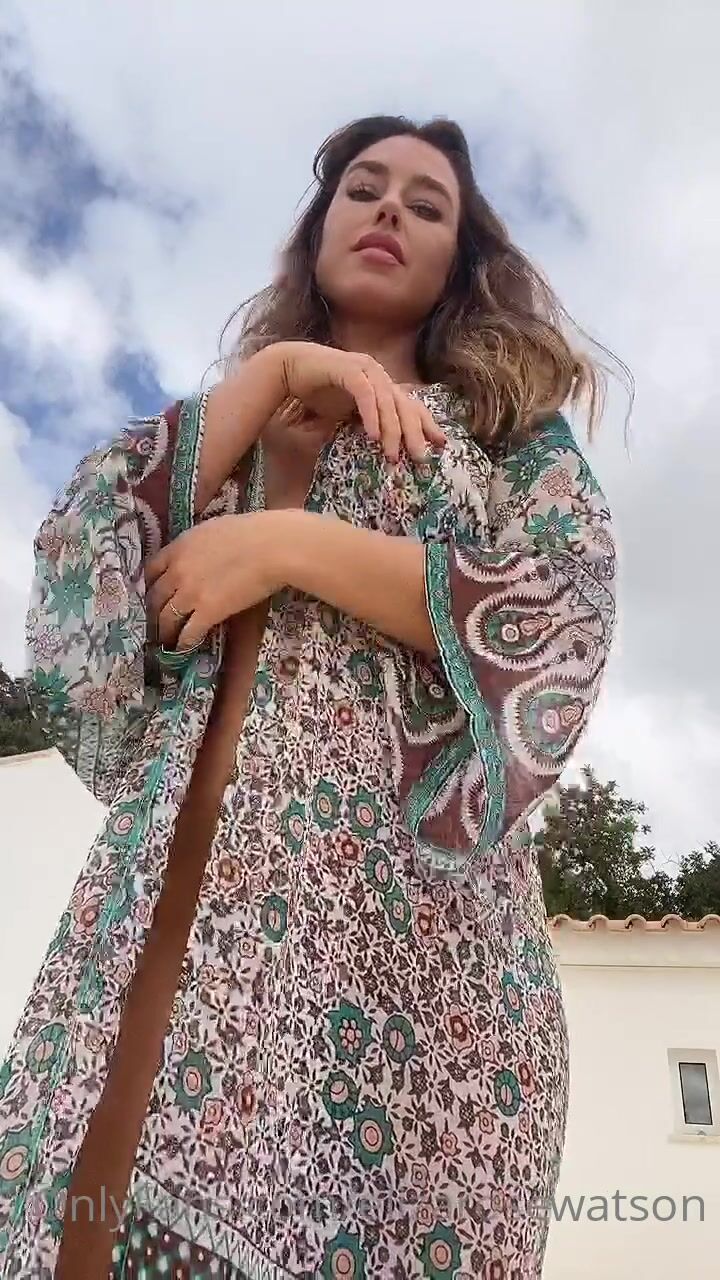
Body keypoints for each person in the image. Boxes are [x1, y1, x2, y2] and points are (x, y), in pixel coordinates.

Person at [0, 115, 617, 1278]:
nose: (388, 210)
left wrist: (289, 545)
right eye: (363, 187)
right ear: (320, 224)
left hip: (402, 970)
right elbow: (79, 577)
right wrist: (279, 372)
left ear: (460, 260)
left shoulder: (503, 432)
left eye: (426, 205)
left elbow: (563, 614)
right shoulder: (234, 420)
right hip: (160, 920)